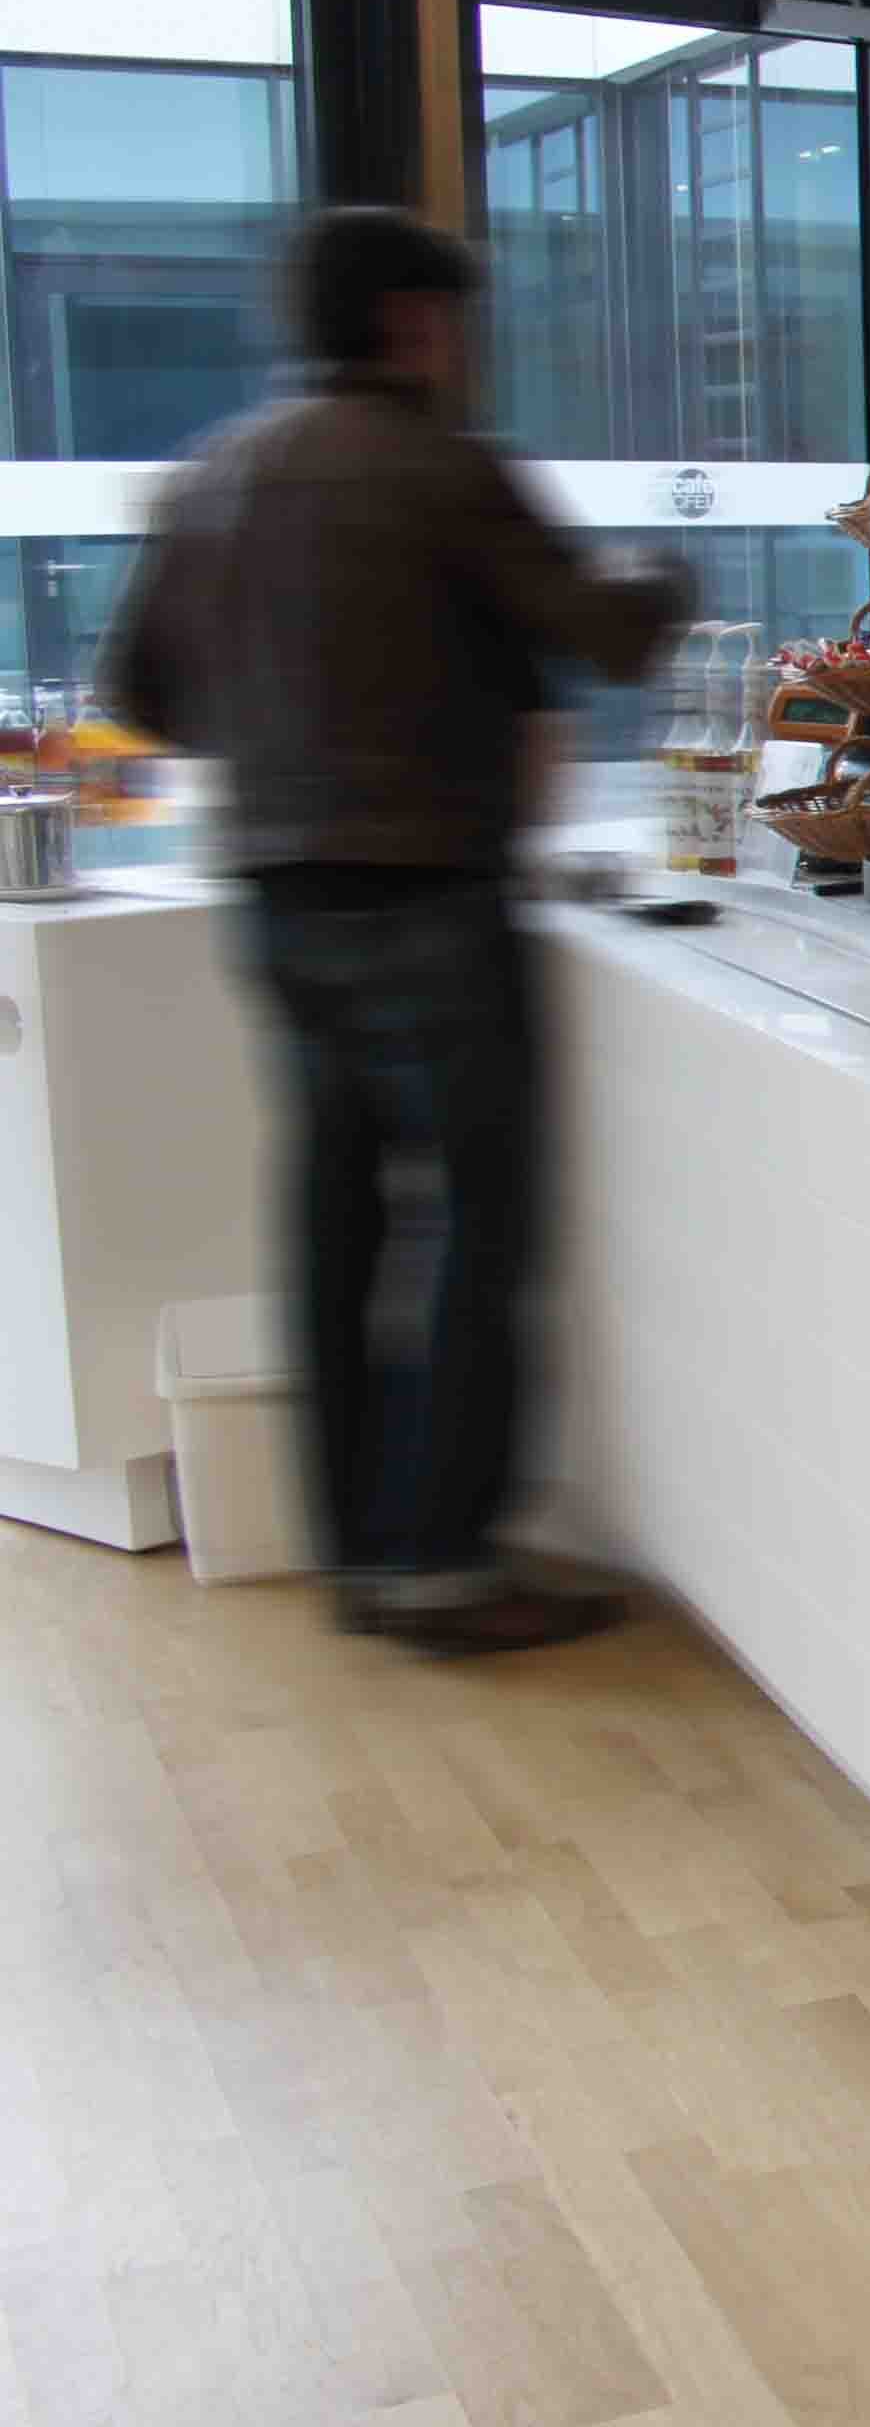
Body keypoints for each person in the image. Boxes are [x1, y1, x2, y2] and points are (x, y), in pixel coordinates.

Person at [103, 210, 689, 1655]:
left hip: (275, 900)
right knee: (475, 1224)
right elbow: (603, 637)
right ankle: (440, 1559)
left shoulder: (213, 476)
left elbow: (142, 687)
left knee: (334, 1218)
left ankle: (361, 1548)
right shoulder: (436, 463)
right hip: (425, 894)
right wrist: (669, 583)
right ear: (418, 321)